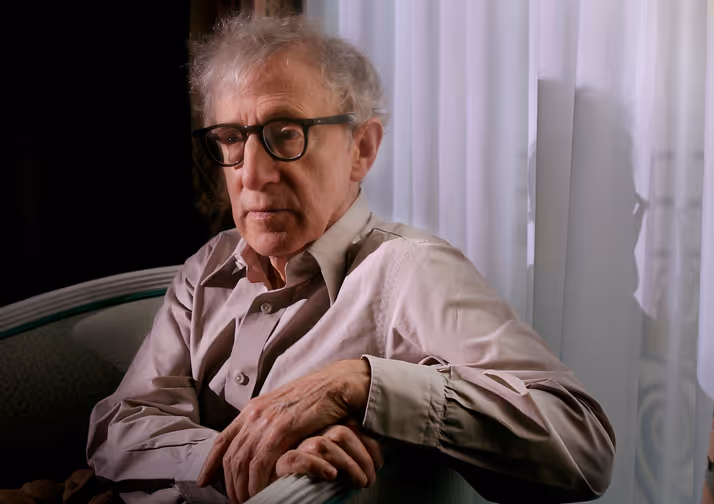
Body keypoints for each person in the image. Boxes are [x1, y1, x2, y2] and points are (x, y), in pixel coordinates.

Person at [86, 14, 615, 504]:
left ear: (361, 149)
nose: (251, 174)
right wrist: (247, 460)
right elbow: (120, 425)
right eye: (229, 139)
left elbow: (583, 444)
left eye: (285, 134)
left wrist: (360, 383)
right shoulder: (208, 265)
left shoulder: (411, 271)